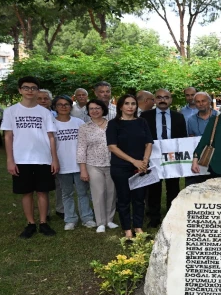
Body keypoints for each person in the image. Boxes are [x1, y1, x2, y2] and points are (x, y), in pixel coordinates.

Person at [1, 76, 59, 239]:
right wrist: (10, 160)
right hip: (21, 159)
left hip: (43, 158)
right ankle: (30, 224)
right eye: (26, 88)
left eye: (33, 88)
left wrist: (54, 159)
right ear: (20, 90)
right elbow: (8, 137)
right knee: (26, 192)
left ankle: (43, 223)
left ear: (37, 90)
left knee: (43, 192)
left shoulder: (45, 112)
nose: (29, 91)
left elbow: (51, 137)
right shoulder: (10, 111)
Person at [107, 94, 153, 239]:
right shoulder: (114, 124)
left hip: (141, 167)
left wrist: (144, 161)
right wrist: (134, 161)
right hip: (120, 167)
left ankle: (138, 227)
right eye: (127, 103)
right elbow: (112, 147)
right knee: (124, 198)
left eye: (133, 103)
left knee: (139, 198)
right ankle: (127, 229)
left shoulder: (142, 122)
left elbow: (149, 143)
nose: (130, 106)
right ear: (120, 106)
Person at [141, 89, 188, 229]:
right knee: (154, 188)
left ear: (170, 100)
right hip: (153, 156)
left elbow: (183, 138)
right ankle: (154, 217)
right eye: (159, 97)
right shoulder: (145, 116)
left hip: (172, 157)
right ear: (154, 100)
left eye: (166, 97)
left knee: (173, 187)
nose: (163, 100)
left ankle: (171, 215)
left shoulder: (178, 117)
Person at [52, 95, 95, 231]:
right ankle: (70, 219)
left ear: (71, 106)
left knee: (83, 192)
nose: (63, 107)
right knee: (67, 193)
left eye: (66, 104)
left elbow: (86, 143)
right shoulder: (51, 123)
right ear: (55, 107)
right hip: (62, 164)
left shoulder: (78, 122)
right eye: (60, 104)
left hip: (79, 164)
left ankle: (87, 218)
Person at [77, 99, 118, 233]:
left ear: (103, 110)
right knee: (98, 192)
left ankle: (110, 220)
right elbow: (81, 149)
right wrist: (83, 169)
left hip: (112, 163)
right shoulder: (84, 128)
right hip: (93, 164)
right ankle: (100, 222)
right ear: (88, 111)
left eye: (97, 108)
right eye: (91, 108)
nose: (94, 111)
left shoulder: (112, 125)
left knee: (111, 192)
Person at [37, 89, 62, 217]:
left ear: (50, 100)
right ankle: (45, 212)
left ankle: (60, 209)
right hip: (41, 153)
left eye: (45, 98)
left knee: (60, 182)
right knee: (43, 186)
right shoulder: (33, 115)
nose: (43, 101)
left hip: (59, 151)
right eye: (39, 98)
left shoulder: (57, 115)